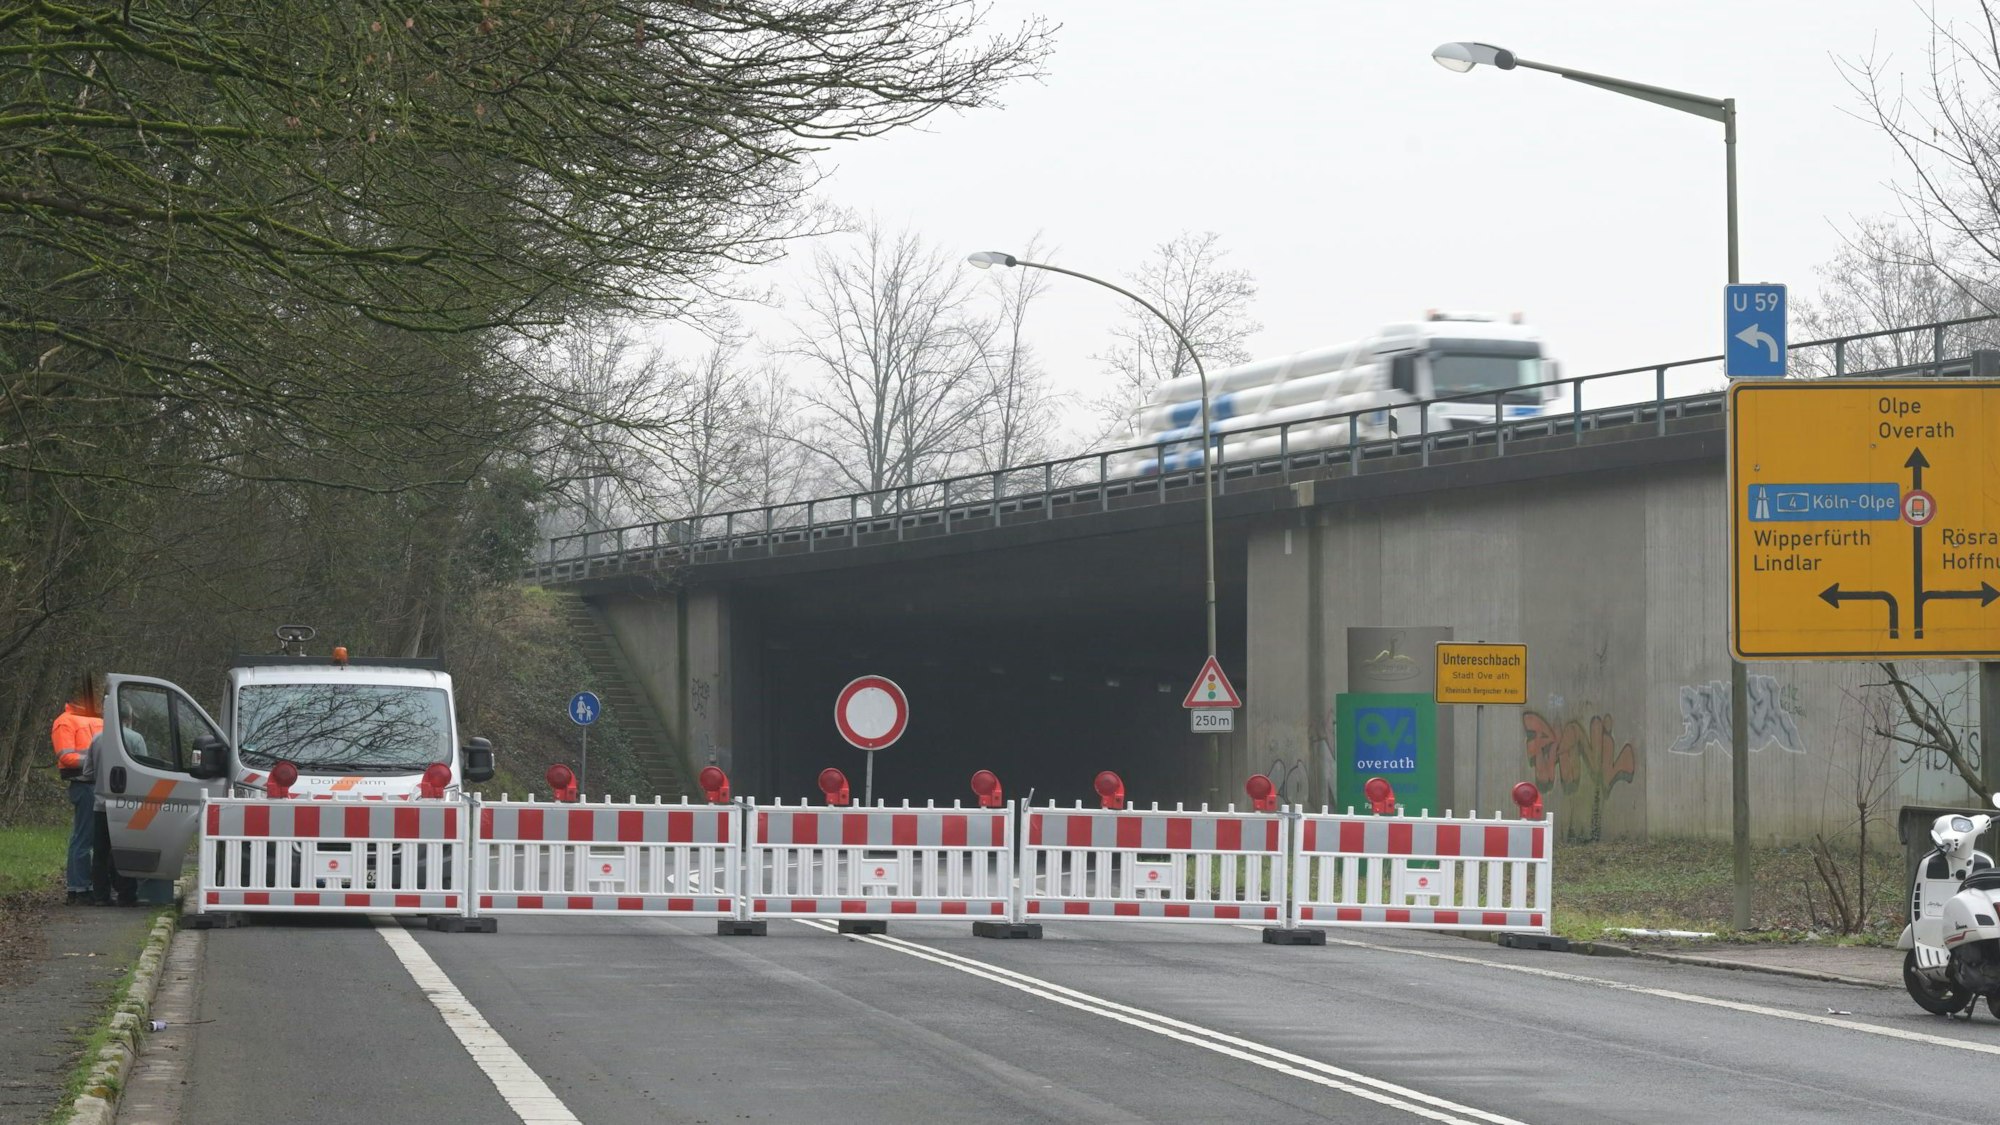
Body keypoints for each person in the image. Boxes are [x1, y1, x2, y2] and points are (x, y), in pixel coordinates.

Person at [50, 678, 104, 906]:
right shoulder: (64, 722)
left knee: (90, 838)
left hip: (97, 784)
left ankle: (84, 886)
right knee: (84, 838)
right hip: (84, 784)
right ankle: (79, 888)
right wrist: (95, 761)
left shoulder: (96, 720)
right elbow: (66, 757)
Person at [83, 710, 141, 907]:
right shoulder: (135, 739)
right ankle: (126, 894)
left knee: (100, 852)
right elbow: (145, 769)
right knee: (126, 850)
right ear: (129, 718)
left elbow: (88, 772)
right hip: (127, 805)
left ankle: (101, 895)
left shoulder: (97, 739)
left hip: (100, 805)